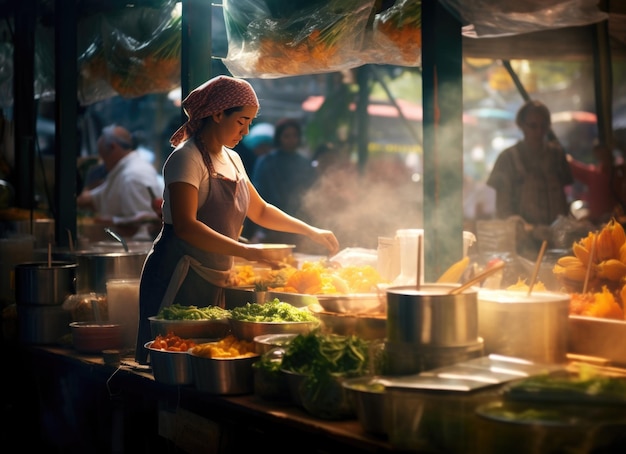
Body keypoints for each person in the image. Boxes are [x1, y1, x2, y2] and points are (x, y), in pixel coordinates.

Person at [135, 75, 339, 364]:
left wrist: (311, 231)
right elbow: (185, 225)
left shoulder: (233, 159)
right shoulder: (186, 158)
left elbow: (260, 210)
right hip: (178, 274)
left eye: (250, 122)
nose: (246, 130)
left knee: (203, 360)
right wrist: (246, 251)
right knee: (170, 359)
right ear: (217, 114)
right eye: (241, 121)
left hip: (214, 276)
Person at [486, 100, 573, 257]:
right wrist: (530, 229)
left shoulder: (557, 155)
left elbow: (565, 197)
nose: (539, 131)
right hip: (522, 247)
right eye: (533, 126)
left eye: (543, 126)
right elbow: (502, 209)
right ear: (522, 126)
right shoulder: (508, 158)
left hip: (557, 243)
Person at [76, 124, 164, 239]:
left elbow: (145, 223)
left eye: (103, 156)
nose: (102, 162)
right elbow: (95, 197)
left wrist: (112, 221)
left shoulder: (134, 175)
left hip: (139, 250)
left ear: (113, 147)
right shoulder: (122, 172)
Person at [250, 117, 317, 246]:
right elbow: (257, 193)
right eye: (286, 136)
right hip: (270, 222)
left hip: (298, 222)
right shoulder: (266, 161)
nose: (291, 140)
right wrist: (257, 229)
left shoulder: (304, 163)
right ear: (279, 137)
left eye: (294, 136)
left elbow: (311, 193)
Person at [567, 140, 623, 225]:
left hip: (615, 221)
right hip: (596, 222)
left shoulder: (619, 174)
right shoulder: (593, 174)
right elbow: (572, 166)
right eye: (600, 152)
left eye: (606, 152)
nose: (603, 155)